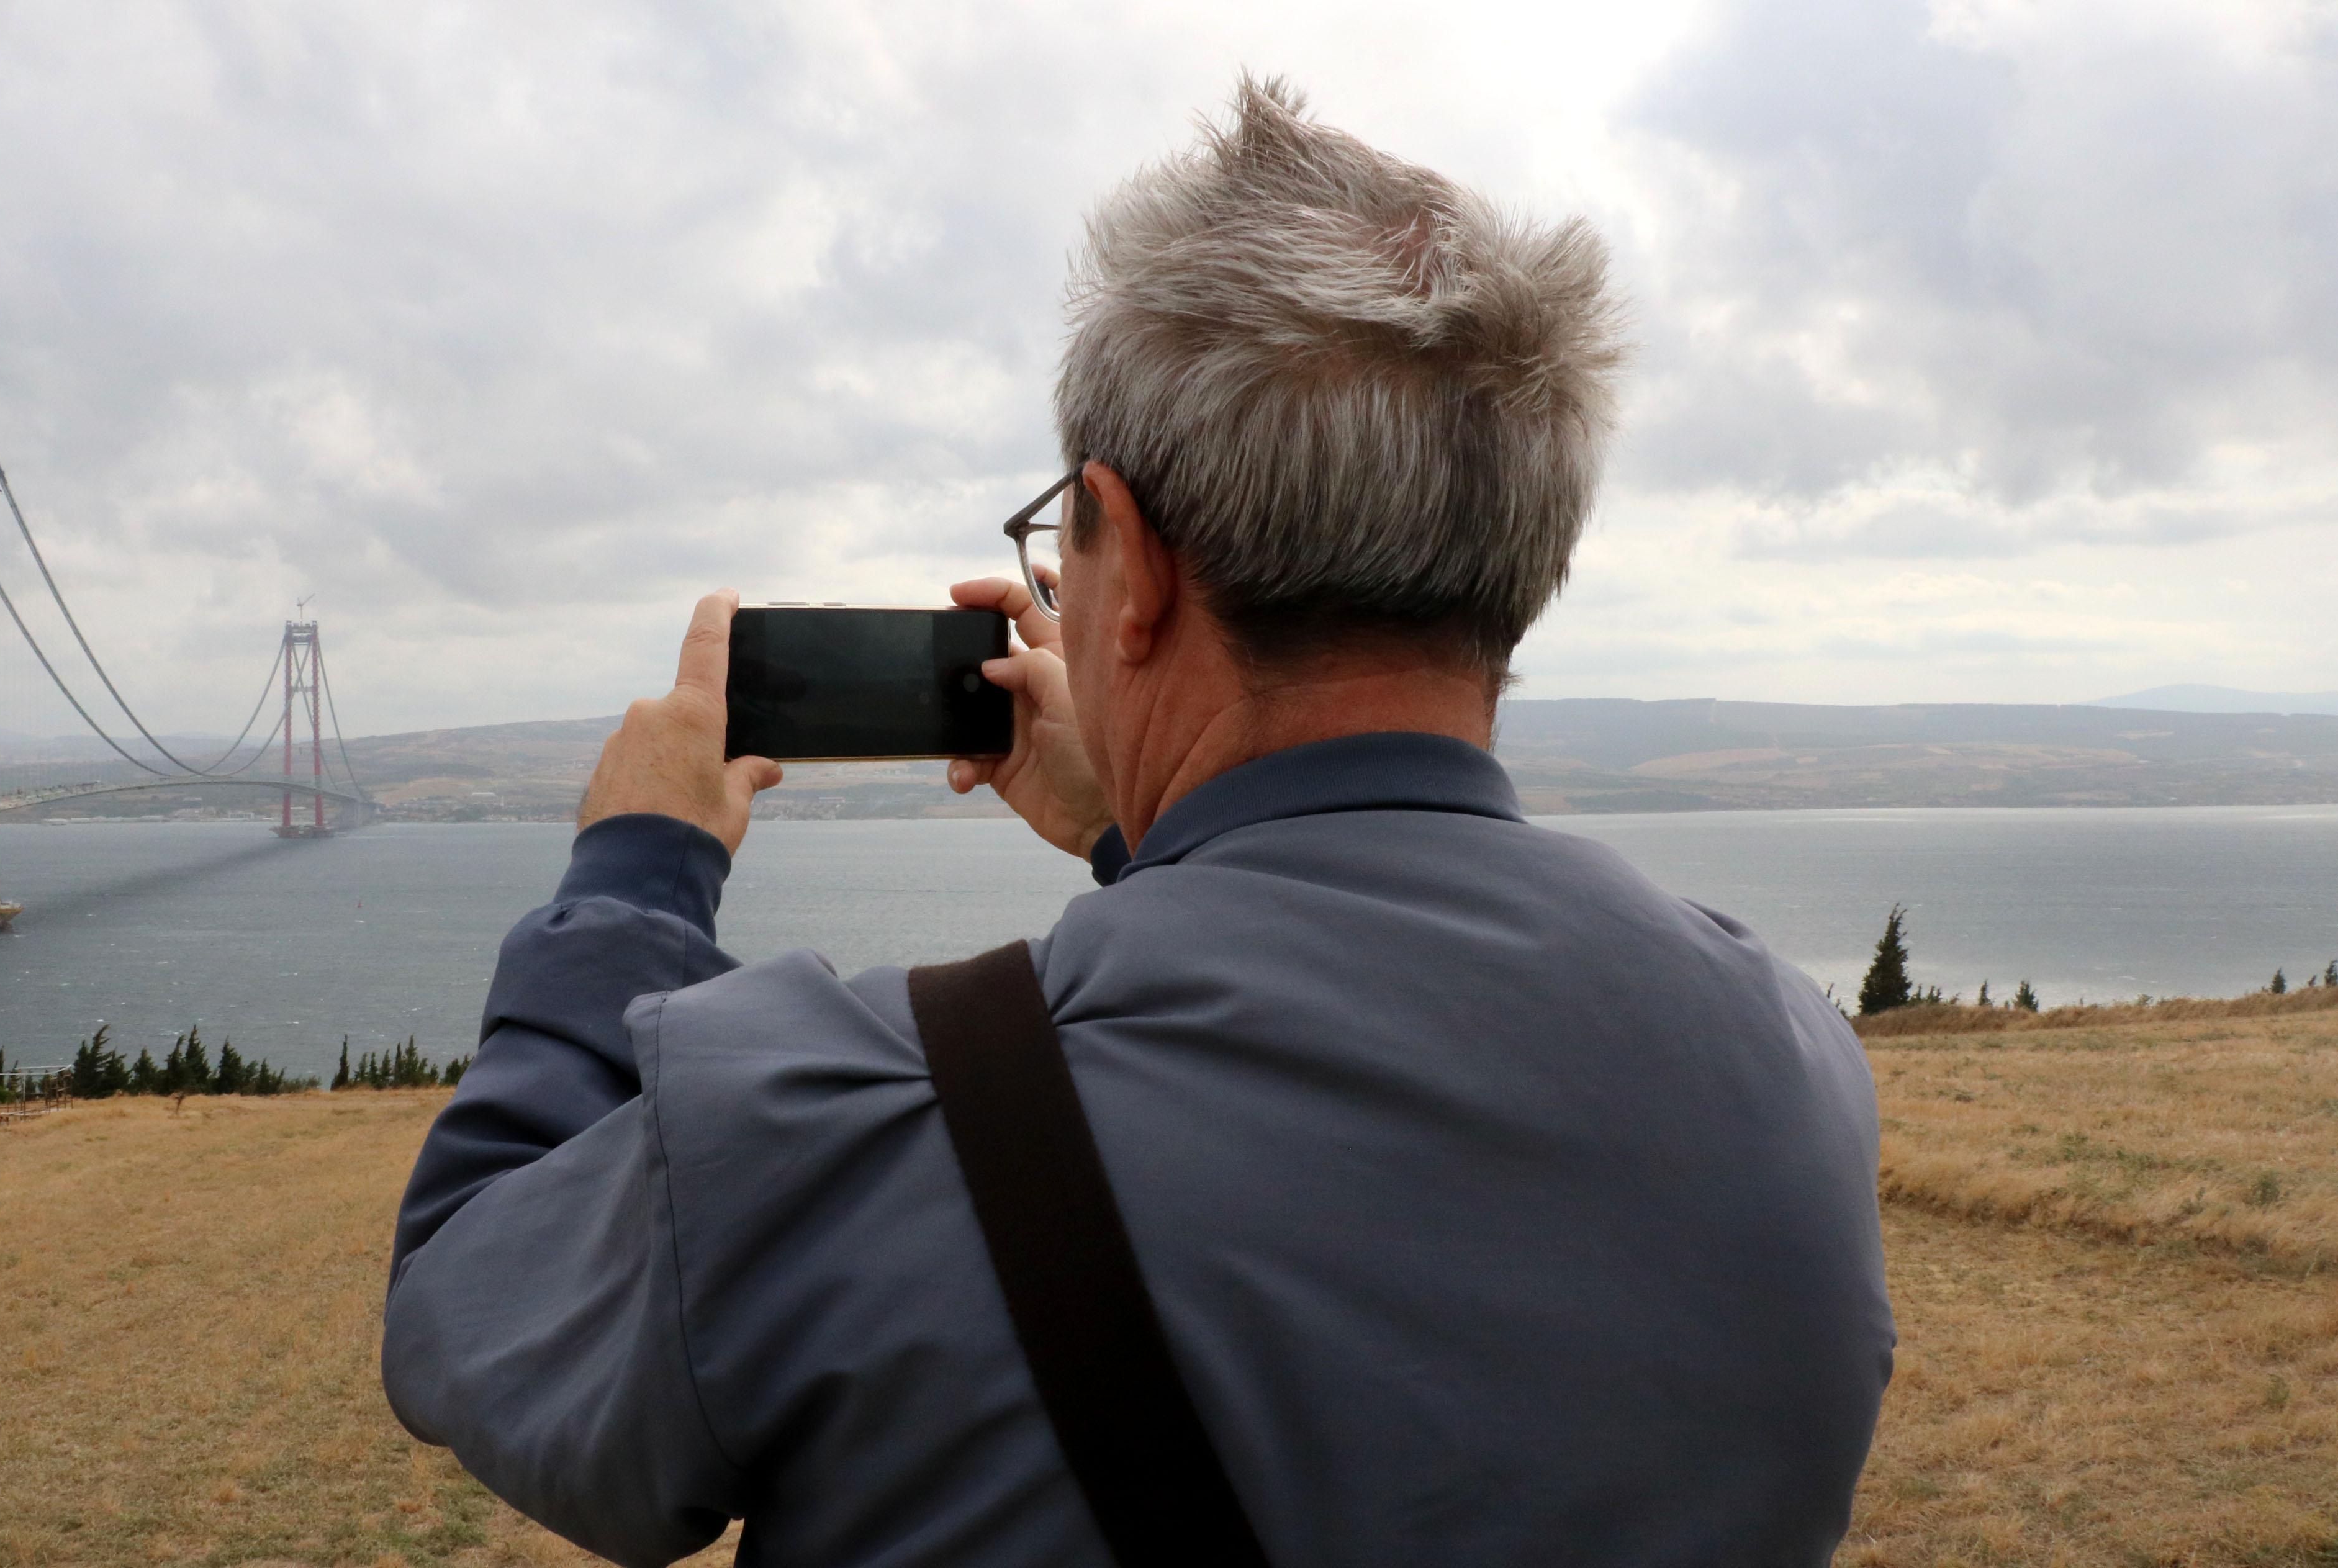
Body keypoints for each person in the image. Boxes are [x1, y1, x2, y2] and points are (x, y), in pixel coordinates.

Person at [384, 76, 1891, 1567]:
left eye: (1064, 539)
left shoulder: (868, 1122)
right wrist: (1145, 838)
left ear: (1139, 564)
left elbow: (472, 1302)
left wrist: (637, 874)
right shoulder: (1790, 1065)